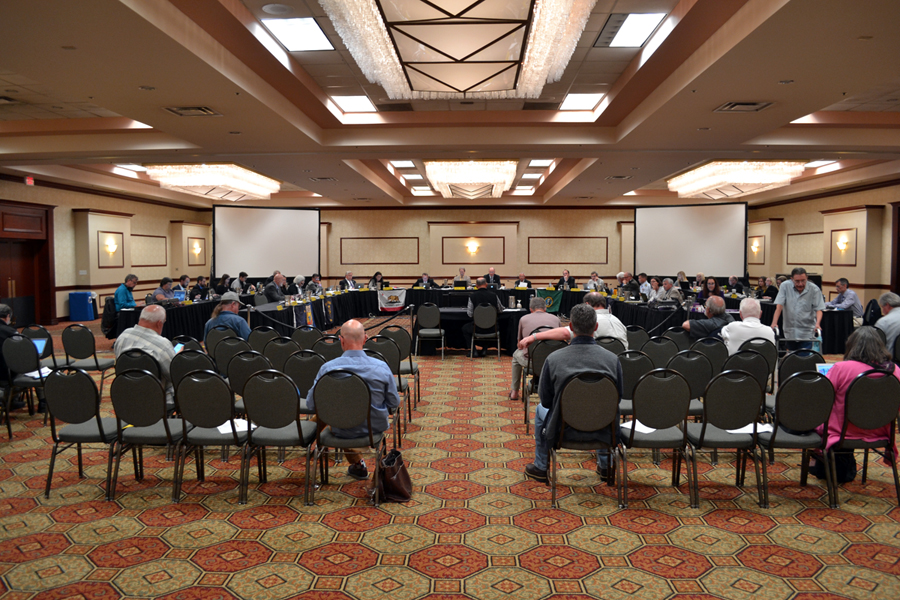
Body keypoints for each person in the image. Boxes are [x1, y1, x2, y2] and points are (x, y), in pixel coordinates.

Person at [524, 303, 623, 484]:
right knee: (605, 406)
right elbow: (618, 397)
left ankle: (541, 466)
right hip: (602, 427)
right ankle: (606, 466)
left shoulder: (554, 359)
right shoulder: (612, 360)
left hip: (563, 428)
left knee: (539, 409)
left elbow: (546, 401)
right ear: (596, 327)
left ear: (570, 327)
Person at [306, 319, 400, 480]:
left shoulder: (328, 368)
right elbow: (394, 403)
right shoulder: (381, 367)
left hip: (340, 429)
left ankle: (305, 440)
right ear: (365, 339)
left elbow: (310, 404)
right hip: (373, 429)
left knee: (338, 411)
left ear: (341, 340)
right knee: (344, 410)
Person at [816, 327, 899, 473]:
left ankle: (817, 464)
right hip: (881, 431)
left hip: (843, 430)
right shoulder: (895, 370)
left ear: (851, 345)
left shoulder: (841, 368)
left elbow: (822, 398)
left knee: (811, 417)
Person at [114, 304, 177, 405]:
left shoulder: (123, 336)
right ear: (159, 324)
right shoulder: (162, 344)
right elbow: (174, 375)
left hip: (126, 396)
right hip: (158, 399)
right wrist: (177, 357)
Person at [517, 293, 628, 350]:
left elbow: (566, 332)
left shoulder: (590, 319)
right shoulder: (618, 321)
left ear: (587, 305)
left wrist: (534, 336)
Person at [509, 297, 560, 401]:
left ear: (530, 309)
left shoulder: (524, 319)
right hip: (553, 362)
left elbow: (520, 345)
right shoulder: (556, 319)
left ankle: (514, 392)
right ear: (545, 309)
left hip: (532, 362)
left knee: (515, 355)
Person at [771, 267, 825, 349]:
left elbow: (819, 309)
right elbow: (779, 306)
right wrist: (774, 322)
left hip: (807, 330)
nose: (800, 284)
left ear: (807, 278)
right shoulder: (785, 286)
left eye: (803, 280)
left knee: (804, 357)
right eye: (797, 281)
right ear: (792, 279)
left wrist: (817, 323)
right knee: (792, 356)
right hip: (790, 329)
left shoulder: (814, 289)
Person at [463, 278, 504, 357]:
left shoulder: (472, 296)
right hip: (493, 327)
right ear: (486, 284)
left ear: (477, 286)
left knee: (465, 328)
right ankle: (484, 349)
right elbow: (500, 310)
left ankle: (473, 350)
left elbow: (470, 314)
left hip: (477, 327)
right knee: (488, 326)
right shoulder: (494, 296)